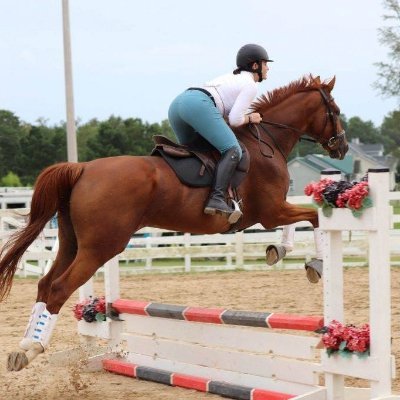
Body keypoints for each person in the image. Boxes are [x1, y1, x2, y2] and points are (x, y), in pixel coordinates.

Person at [168, 44, 273, 221]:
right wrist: (251, 118)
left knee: (197, 152)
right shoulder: (250, 85)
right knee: (233, 150)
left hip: (178, 104)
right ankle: (216, 198)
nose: (268, 68)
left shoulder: (232, 78)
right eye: (265, 63)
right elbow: (235, 120)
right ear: (255, 66)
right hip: (198, 105)